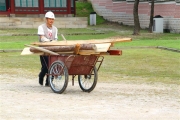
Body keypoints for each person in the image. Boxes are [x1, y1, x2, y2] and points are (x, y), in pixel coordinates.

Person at [37, 11, 58, 86]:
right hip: (43, 49)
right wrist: (48, 41)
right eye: (50, 19)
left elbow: (56, 39)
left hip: (52, 50)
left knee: (53, 65)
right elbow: (41, 37)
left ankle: (49, 82)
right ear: (46, 19)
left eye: (52, 19)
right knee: (45, 66)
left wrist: (54, 42)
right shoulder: (41, 27)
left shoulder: (55, 29)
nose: (51, 21)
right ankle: (41, 76)